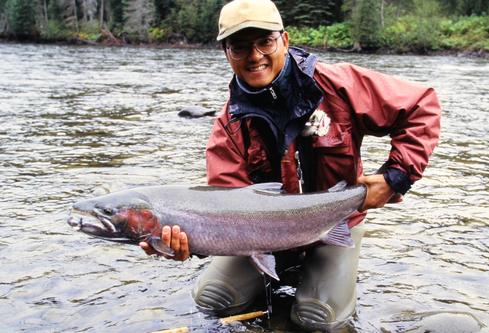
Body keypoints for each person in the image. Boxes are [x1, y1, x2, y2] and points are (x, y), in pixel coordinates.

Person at [140, 0, 442, 330]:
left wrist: (396, 176)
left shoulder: (338, 85)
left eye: (264, 42)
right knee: (212, 299)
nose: (254, 56)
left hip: (336, 221)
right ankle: (283, 266)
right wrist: (189, 243)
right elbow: (221, 211)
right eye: (239, 47)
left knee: (316, 320)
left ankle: (312, 274)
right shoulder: (229, 127)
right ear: (227, 53)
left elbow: (421, 106)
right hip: (265, 235)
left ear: (284, 40)